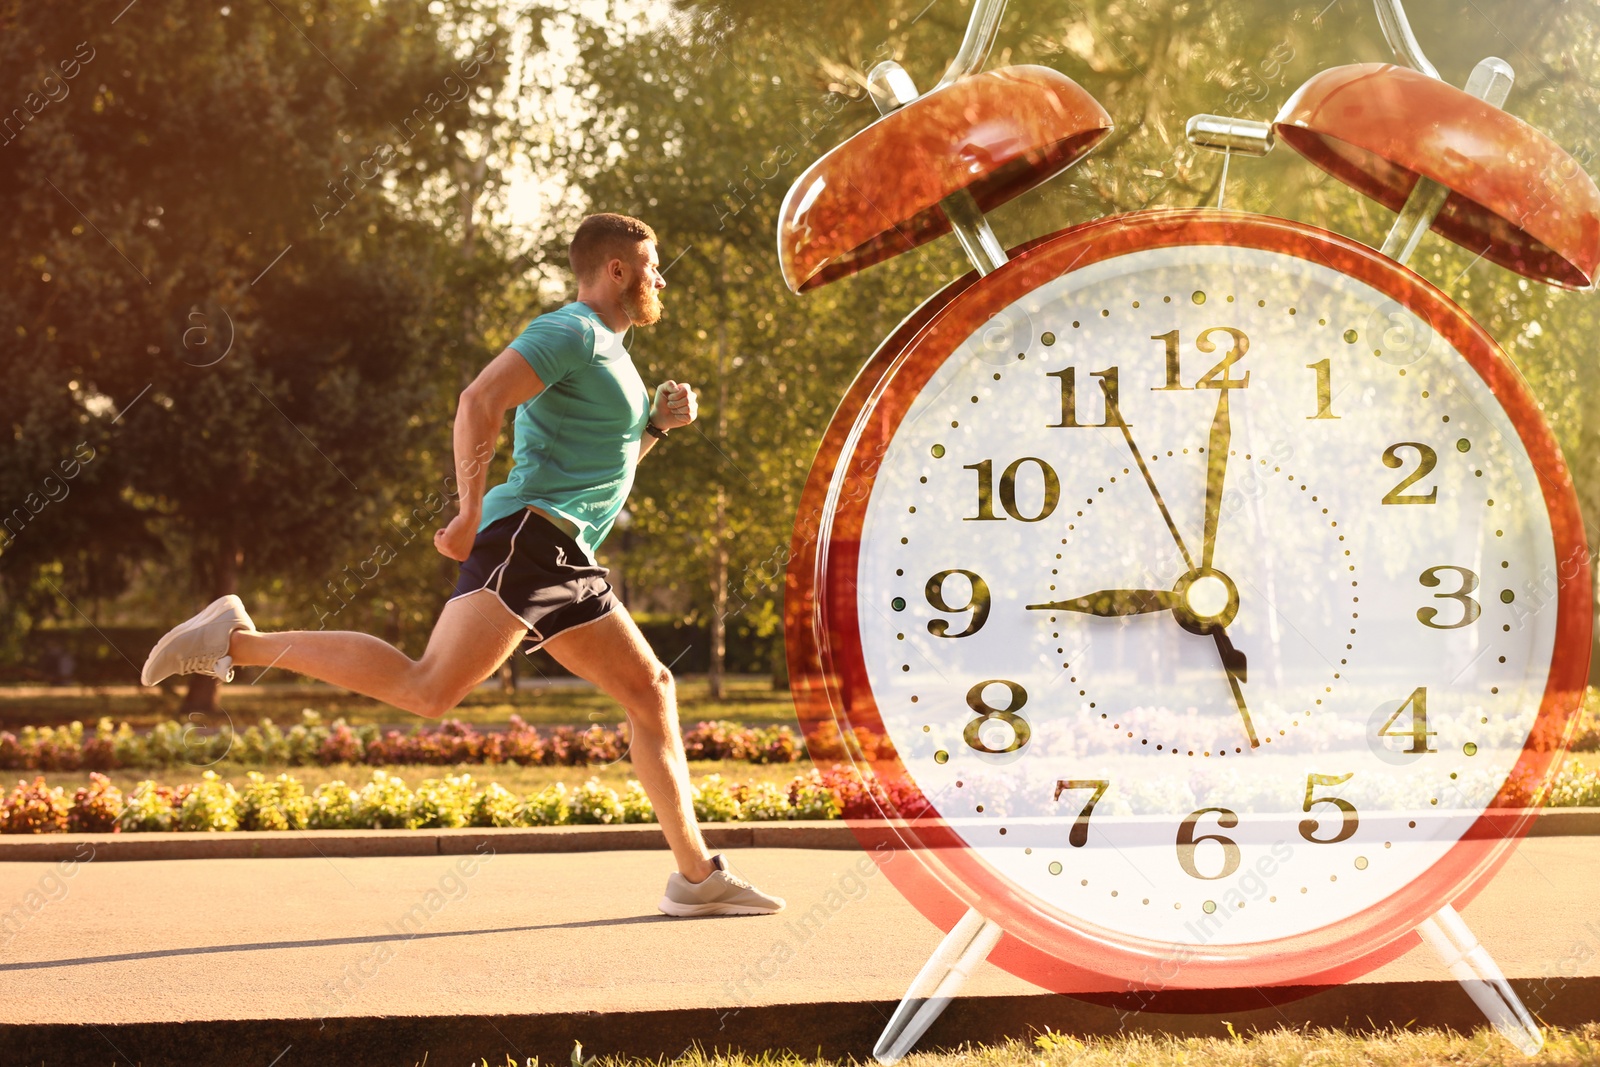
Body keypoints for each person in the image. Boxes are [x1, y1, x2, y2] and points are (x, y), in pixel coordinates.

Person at [140, 213, 785, 918]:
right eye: (652, 266)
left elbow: (600, 470)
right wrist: (470, 509)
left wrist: (656, 426)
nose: (661, 278)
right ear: (618, 271)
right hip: (532, 539)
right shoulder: (571, 330)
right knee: (534, 688)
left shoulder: (614, 357)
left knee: (598, 689)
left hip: (555, 545)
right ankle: (233, 641)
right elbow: (478, 400)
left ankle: (695, 875)